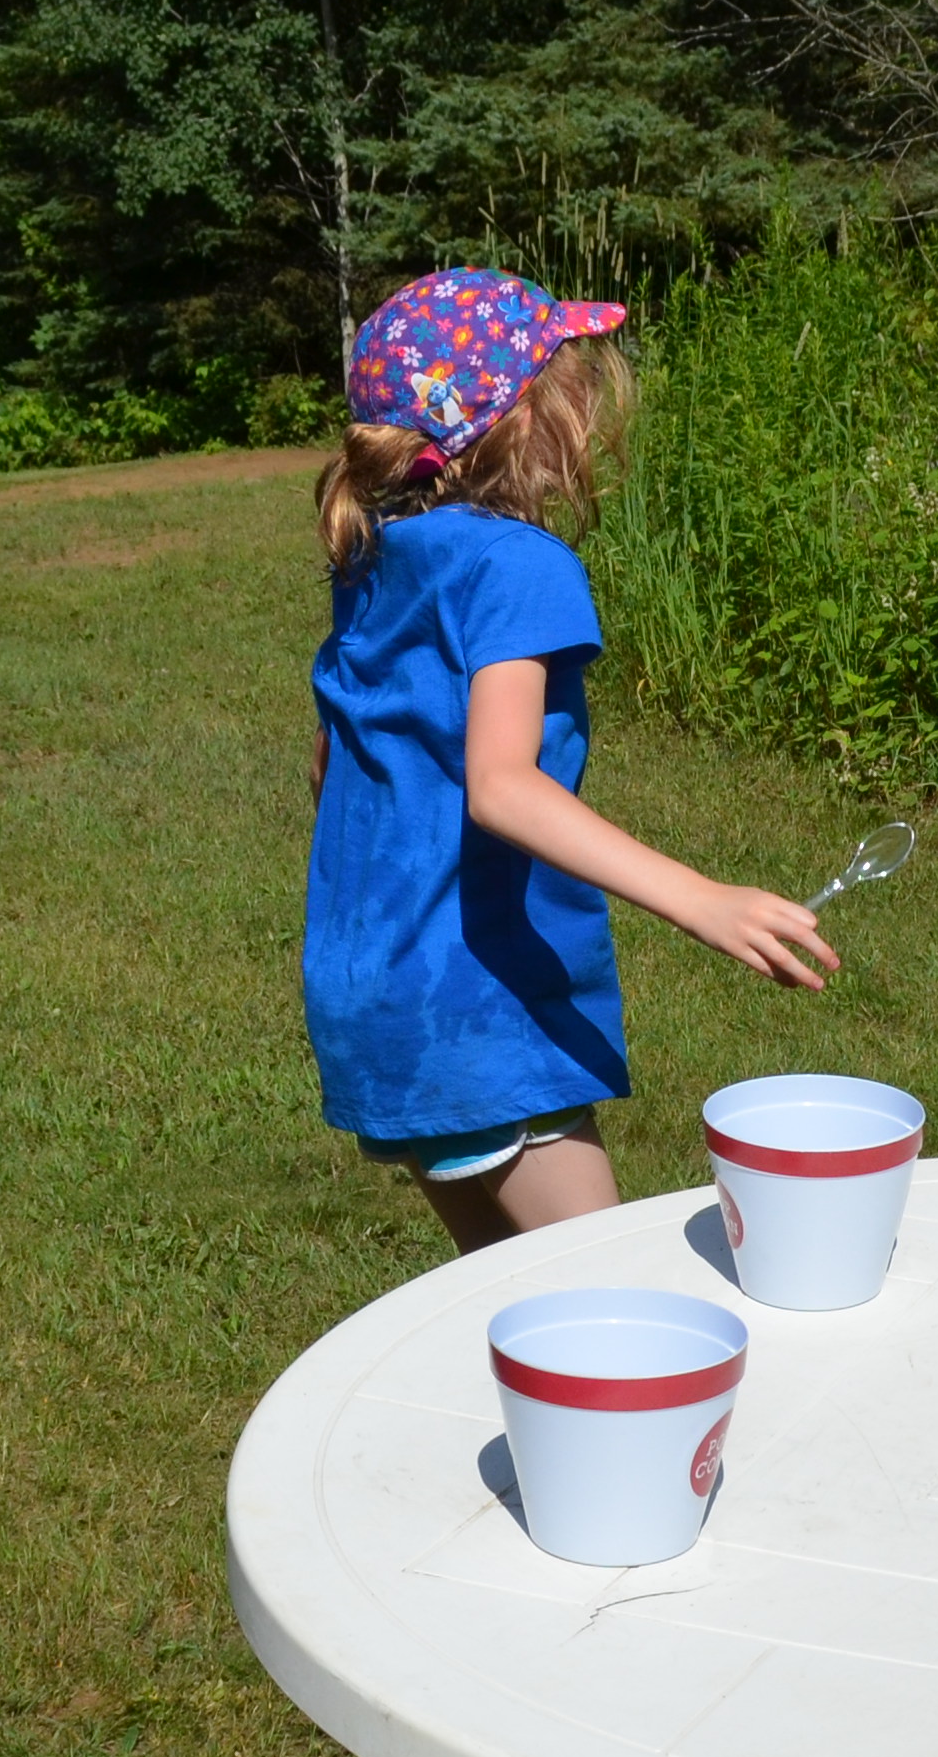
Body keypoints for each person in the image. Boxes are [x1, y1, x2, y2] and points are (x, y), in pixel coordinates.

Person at [305, 267, 835, 1252]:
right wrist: (700, 899)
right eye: (571, 381)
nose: (592, 403)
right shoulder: (518, 566)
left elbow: (331, 770)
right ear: (522, 418)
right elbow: (502, 787)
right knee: (606, 1300)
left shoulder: (378, 557)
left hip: (373, 988)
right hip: (476, 1004)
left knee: (508, 1292)